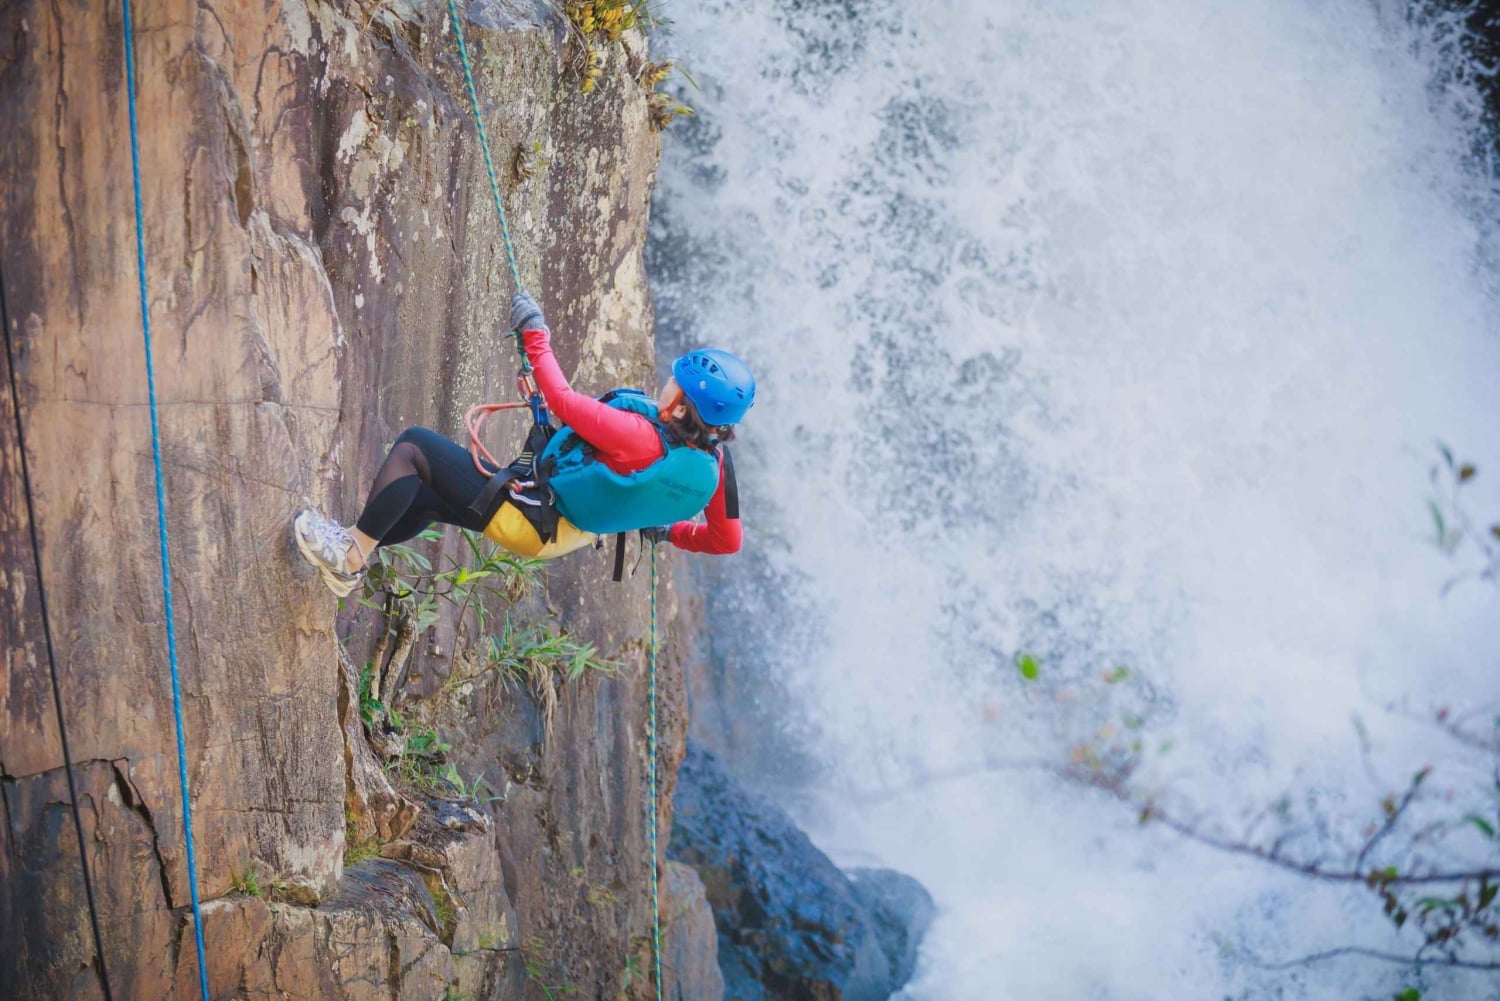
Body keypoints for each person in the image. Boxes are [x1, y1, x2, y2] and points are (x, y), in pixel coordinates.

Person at [293, 291, 754, 596]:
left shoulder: (639, 436)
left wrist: (535, 333)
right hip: (559, 534)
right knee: (428, 498)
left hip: (529, 517)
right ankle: (353, 554)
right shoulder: (713, 468)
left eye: (675, 383)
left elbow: (563, 400)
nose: (666, 383)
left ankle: (350, 555)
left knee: (415, 449)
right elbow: (724, 540)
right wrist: (669, 531)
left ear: (678, 407)